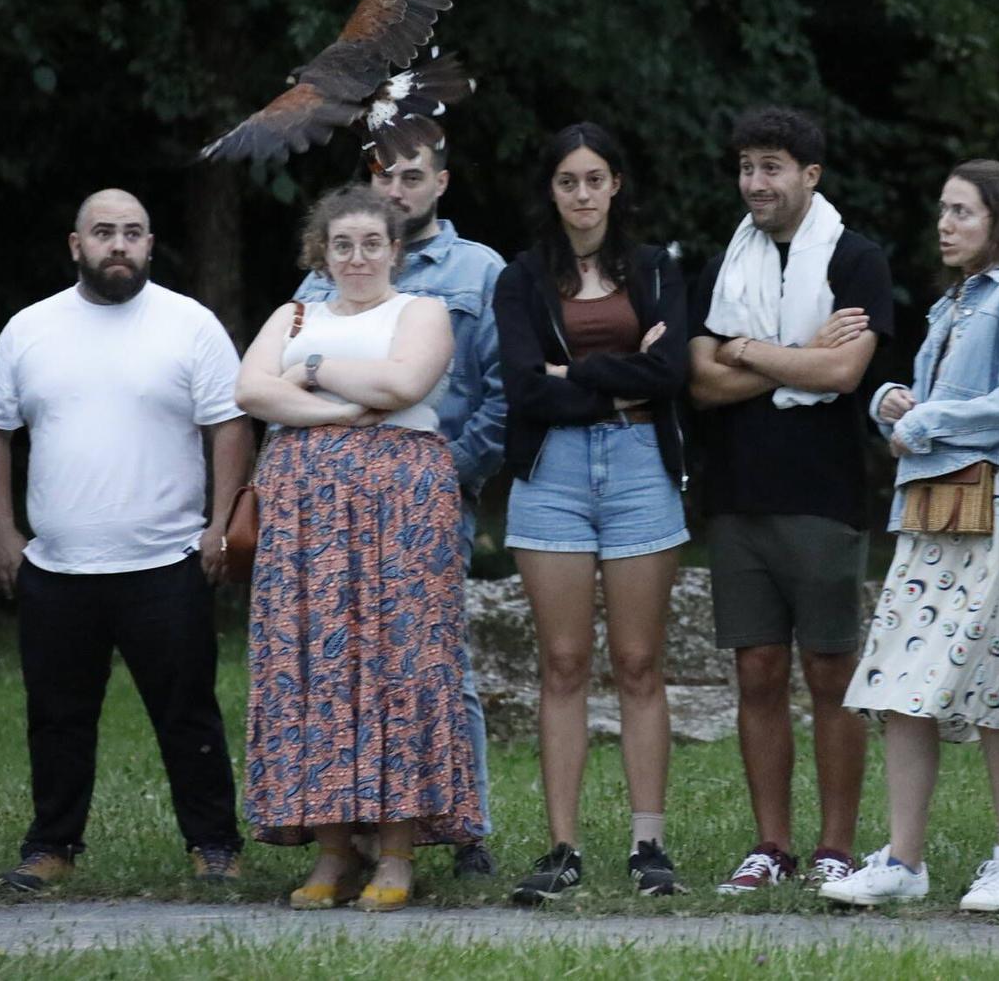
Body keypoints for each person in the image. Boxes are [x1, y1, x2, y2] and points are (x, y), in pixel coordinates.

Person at [0, 189, 251, 893]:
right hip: (58, 566)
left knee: (189, 712)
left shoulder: (191, 324)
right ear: (75, 244)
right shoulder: (30, 328)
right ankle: (51, 845)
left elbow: (231, 425)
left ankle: (214, 843)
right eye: (103, 232)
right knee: (57, 716)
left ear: (151, 244)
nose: (117, 244)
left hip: (167, 559)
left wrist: (219, 522)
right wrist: (2, 529)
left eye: (132, 232)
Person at [822, 159, 999, 912]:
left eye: (962, 211)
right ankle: (903, 858)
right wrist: (896, 399)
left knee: (998, 685)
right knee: (899, 680)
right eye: (942, 210)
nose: (945, 224)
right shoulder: (953, 301)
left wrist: (922, 420)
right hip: (935, 511)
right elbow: (940, 402)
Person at [239, 184, 481, 911]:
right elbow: (251, 389)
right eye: (341, 244)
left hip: (400, 505)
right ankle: (332, 851)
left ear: (396, 251)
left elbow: (405, 380)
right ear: (323, 252)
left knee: (397, 661)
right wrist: (348, 408)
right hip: (304, 514)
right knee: (315, 663)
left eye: (371, 243)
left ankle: (399, 854)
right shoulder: (295, 312)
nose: (356, 256)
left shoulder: (422, 310)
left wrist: (307, 373)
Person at [688, 107, 892, 894]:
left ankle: (836, 847)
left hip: (825, 493)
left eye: (771, 166)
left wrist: (748, 349)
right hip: (738, 497)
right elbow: (702, 382)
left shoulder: (858, 260)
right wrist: (800, 352)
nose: (755, 182)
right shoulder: (723, 264)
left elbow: (845, 376)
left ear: (811, 175)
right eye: (745, 166)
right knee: (759, 671)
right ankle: (770, 843)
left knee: (832, 671)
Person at [291, 140, 504, 878]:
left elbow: (498, 388)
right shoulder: (320, 281)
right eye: (388, 175)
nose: (401, 187)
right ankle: (350, 831)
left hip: (431, 486)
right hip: (333, 503)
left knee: (436, 662)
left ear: (441, 181)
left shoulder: (476, 271)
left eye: (415, 175)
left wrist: (452, 468)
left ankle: (462, 827)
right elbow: (269, 387)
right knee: (345, 660)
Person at [494, 122, 690, 904]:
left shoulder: (655, 267)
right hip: (554, 474)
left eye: (595, 178)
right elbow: (522, 386)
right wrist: (619, 373)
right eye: (568, 179)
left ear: (616, 185)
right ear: (553, 189)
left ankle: (649, 845)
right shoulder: (520, 278)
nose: (582, 193)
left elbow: (671, 370)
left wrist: (574, 373)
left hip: (641, 463)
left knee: (640, 662)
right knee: (565, 662)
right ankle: (564, 846)